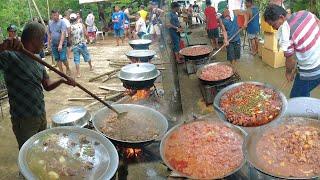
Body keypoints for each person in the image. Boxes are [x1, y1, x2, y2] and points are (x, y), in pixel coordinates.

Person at [0, 22, 75, 149]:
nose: (45, 42)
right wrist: (2, 47)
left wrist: (62, 80)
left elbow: (47, 85)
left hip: (40, 114)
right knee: (28, 156)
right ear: (34, 40)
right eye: (43, 38)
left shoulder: (37, 59)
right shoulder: (9, 56)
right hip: (24, 120)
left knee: (41, 149)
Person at [264, 4, 320, 98]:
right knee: (304, 92)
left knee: (296, 97)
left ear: (281, 17)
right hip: (315, 60)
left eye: (273, 25)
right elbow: (318, 22)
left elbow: (290, 60)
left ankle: (304, 110)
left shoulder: (286, 33)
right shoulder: (305, 13)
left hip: (312, 70)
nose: (274, 28)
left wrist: (288, 73)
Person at [69, 13, 93, 78]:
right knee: (87, 55)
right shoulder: (82, 25)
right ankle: (90, 66)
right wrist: (88, 40)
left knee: (77, 59)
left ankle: (78, 73)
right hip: (82, 44)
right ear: (76, 18)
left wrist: (71, 45)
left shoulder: (70, 27)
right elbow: (86, 34)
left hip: (75, 45)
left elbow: (69, 38)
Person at [48, 10, 71, 75]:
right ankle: (61, 72)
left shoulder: (62, 22)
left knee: (63, 58)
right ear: (52, 16)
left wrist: (60, 44)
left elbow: (63, 33)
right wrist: (49, 44)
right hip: (53, 44)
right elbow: (49, 34)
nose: (56, 17)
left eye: (57, 15)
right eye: (54, 15)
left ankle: (68, 68)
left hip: (62, 44)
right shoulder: (50, 23)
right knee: (57, 58)